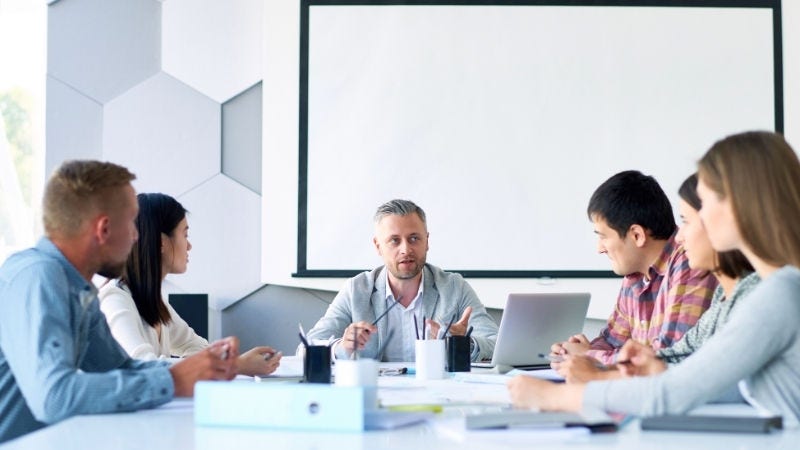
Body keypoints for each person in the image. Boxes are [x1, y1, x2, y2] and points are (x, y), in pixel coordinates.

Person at [508, 131, 800, 427]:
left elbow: (673, 393)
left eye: (704, 203)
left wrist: (553, 398)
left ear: (738, 205)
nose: (684, 229)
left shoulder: (778, 293)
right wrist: (654, 368)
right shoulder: (773, 289)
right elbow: (711, 378)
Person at [0, 161, 238, 443]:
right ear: (104, 229)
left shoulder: (78, 287)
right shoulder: (39, 277)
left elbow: (122, 367)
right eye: (132, 223)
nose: (137, 237)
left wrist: (201, 367)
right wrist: (173, 382)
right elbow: (55, 397)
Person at [556, 173, 759, 383]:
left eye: (603, 236)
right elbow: (619, 343)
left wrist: (588, 358)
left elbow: (670, 357)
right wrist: (575, 354)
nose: (679, 236)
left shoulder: (691, 263)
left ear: (637, 235)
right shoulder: (636, 275)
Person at [98, 193, 281, 376]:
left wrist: (232, 361)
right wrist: (237, 365)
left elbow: (195, 346)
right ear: (161, 242)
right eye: (185, 235)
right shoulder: (114, 299)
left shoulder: (153, 301)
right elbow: (144, 368)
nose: (189, 246)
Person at [306, 199, 498, 362]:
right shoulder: (356, 290)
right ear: (378, 246)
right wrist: (343, 348)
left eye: (414, 238)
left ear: (427, 241)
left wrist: (463, 344)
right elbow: (307, 348)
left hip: (437, 397)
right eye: (394, 240)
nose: (406, 249)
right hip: (376, 397)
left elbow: (496, 342)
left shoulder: (454, 287)